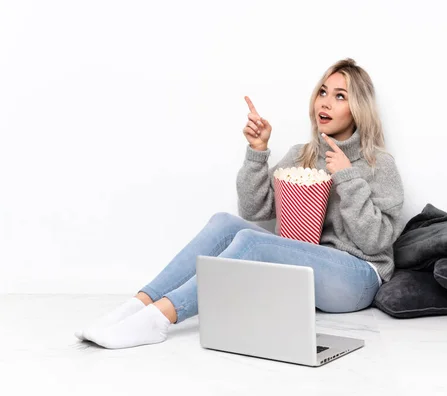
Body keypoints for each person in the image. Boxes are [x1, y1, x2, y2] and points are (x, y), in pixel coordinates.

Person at [75, 58, 405, 349]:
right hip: (306, 272)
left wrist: (347, 179)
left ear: (358, 107)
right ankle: (138, 305)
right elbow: (254, 210)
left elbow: (375, 241)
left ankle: (159, 320)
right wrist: (258, 151)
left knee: (251, 241)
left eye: (340, 96)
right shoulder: (302, 156)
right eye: (322, 91)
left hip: (359, 277)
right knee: (224, 222)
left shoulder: (378, 165)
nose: (326, 102)